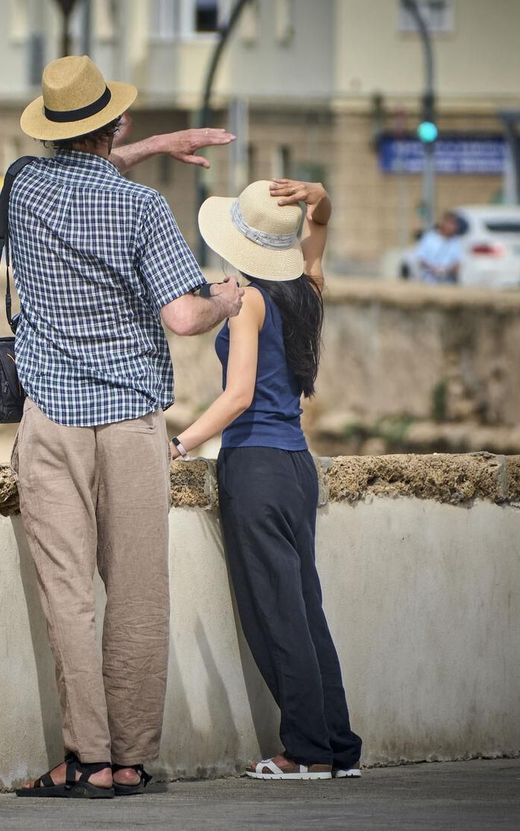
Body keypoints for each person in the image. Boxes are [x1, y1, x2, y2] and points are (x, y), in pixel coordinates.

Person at [9, 55, 242, 800]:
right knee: (138, 592)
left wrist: (131, 148)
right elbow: (181, 315)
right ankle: (134, 760)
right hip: (131, 422)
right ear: (119, 125)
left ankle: (86, 759)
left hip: (50, 421)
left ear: (50, 127)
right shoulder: (142, 211)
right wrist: (226, 300)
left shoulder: (21, 189)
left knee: (68, 594)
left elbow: (75, 168)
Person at [175, 177, 363, 782]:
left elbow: (238, 395)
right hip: (297, 466)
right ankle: (337, 747)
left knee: (275, 614)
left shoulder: (252, 301)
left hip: (254, 465)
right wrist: (319, 195)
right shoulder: (308, 289)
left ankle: (304, 750)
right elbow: (322, 230)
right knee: (306, 608)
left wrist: (180, 443)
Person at [412, 213, 462, 284]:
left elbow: (458, 263)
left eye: (455, 224)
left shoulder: (456, 241)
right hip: (428, 280)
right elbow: (420, 259)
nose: (453, 227)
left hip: (447, 281)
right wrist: (433, 269)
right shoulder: (429, 238)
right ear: (444, 223)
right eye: (450, 224)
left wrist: (445, 270)